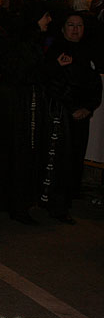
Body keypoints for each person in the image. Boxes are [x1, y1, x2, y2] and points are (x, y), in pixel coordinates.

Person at [0, 1, 52, 224]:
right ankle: (17, 204)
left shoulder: (23, 40)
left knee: (11, 150)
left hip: (13, 102)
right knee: (19, 151)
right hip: (18, 104)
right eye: (45, 16)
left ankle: (8, 199)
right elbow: (25, 72)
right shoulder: (26, 43)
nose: (49, 21)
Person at [40, 12, 102, 224]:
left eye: (79, 26)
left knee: (75, 158)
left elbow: (94, 84)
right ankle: (55, 204)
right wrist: (73, 108)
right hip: (61, 115)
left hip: (81, 116)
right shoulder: (57, 51)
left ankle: (67, 198)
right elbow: (55, 83)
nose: (75, 29)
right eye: (71, 25)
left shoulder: (88, 51)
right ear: (63, 28)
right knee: (60, 161)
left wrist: (88, 107)